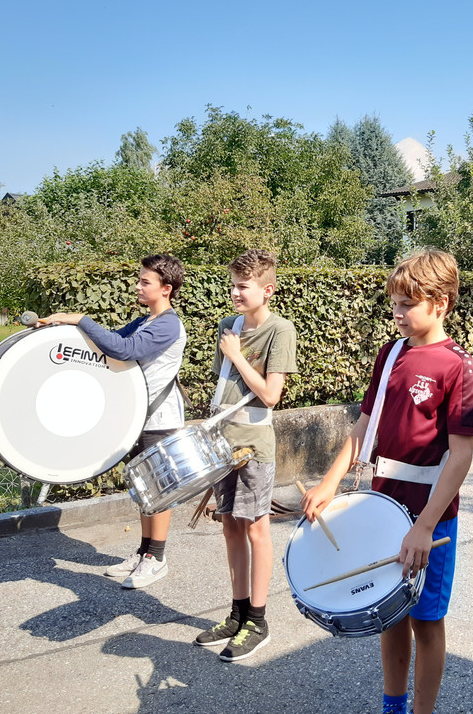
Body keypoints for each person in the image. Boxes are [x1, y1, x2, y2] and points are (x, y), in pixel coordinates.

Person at [301, 249, 473, 714]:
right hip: (382, 508)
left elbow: (460, 456)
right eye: (394, 304)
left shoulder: (459, 366)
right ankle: (393, 706)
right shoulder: (392, 353)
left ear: (440, 303)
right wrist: (330, 482)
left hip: (430, 517)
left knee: (426, 621)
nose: (397, 314)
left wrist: (425, 526)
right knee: (390, 615)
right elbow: (365, 426)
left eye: (407, 304)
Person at [40, 254, 187, 590]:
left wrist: (81, 319)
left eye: (145, 282)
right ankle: (144, 552)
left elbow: (123, 349)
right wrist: (62, 328)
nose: (137, 286)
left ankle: (157, 558)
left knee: (159, 491)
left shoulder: (168, 324)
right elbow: (104, 344)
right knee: (143, 489)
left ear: (166, 288)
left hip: (160, 419)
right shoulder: (144, 321)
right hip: (138, 418)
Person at [194, 249, 297, 662]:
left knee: (256, 530)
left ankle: (258, 620)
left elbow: (271, 395)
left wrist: (236, 354)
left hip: (255, 445)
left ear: (267, 290)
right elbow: (223, 391)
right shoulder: (227, 326)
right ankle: (237, 615)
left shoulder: (280, 330)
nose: (235, 293)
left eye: (243, 286)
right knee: (230, 528)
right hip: (222, 443)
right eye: (233, 285)